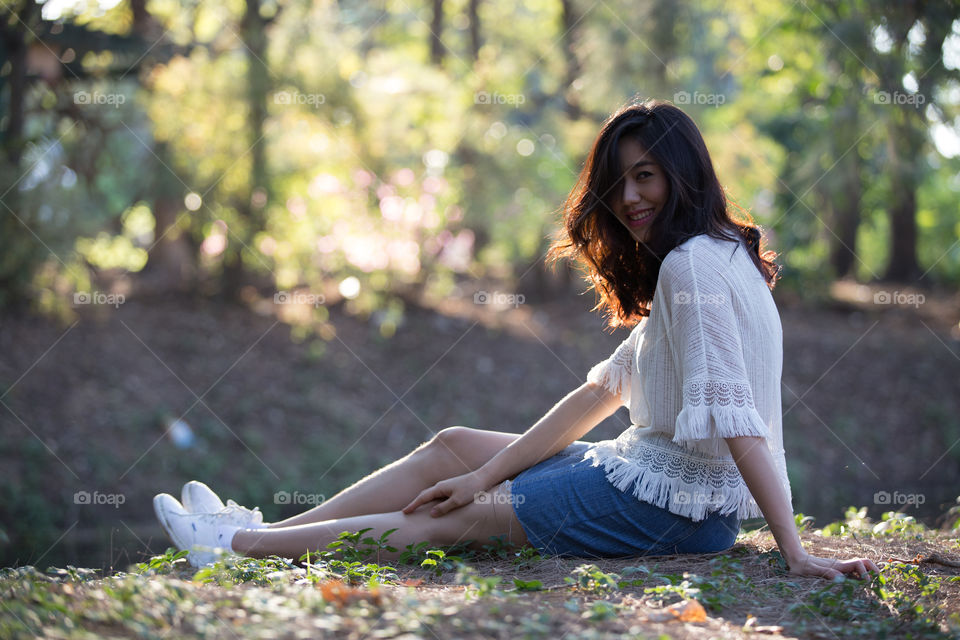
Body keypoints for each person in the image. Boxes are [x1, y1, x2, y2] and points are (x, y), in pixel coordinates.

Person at [154, 98, 879, 581]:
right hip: (645, 472)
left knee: (467, 517)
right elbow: (600, 393)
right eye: (619, 182)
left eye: (646, 176)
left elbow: (739, 419)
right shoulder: (712, 256)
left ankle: (236, 551)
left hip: (672, 505)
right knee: (452, 448)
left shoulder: (693, 266)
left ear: (682, 175)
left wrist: (797, 552)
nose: (629, 198)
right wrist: (484, 468)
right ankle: (268, 528)